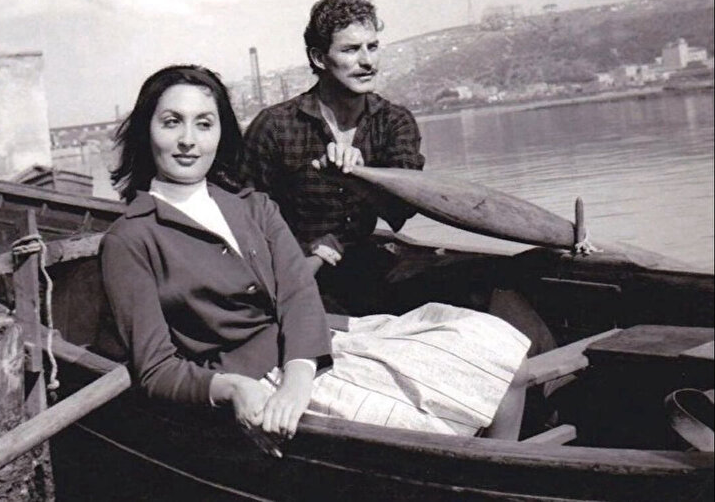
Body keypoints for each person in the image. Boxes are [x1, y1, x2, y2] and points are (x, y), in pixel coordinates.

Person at [98, 65, 530, 448]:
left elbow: (299, 294)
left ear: (221, 134)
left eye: (204, 124)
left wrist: (299, 377)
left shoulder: (254, 207)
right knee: (425, 432)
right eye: (172, 122)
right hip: (255, 376)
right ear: (146, 132)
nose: (188, 140)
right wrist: (233, 389)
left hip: (315, 348)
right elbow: (156, 369)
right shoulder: (130, 239)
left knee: (502, 355)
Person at [241, 0, 424, 316]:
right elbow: (245, 223)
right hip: (294, 275)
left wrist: (360, 180)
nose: (368, 62)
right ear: (319, 58)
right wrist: (306, 250)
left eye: (372, 47)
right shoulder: (274, 127)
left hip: (368, 272)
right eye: (351, 50)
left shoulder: (394, 121)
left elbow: (401, 211)